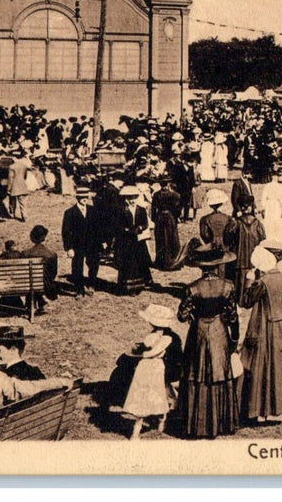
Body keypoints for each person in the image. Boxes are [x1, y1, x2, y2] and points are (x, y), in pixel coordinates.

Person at [175, 244, 240, 438]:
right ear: (218, 265)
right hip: (219, 331)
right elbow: (233, 317)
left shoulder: (193, 288)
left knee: (198, 372)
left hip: (199, 333)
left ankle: (196, 423)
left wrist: (194, 314)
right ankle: (222, 422)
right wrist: (234, 339)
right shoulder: (228, 286)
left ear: (201, 267)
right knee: (220, 372)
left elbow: (181, 315)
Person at [241, 245, 282, 423]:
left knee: (263, 366)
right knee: (280, 367)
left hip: (265, 325)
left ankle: (262, 410)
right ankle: (281, 409)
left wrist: (248, 281)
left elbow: (246, 302)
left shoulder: (262, 282)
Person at [118, 305, 181, 439]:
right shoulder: (155, 336)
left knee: (155, 394)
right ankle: (151, 424)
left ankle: (154, 423)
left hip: (154, 368)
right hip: (147, 368)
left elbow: (152, 352)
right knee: (144, 395)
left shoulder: (167, 339)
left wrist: (141, 353)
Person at [225, 193, 266, 306]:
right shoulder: (258, 224)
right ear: (250, 207)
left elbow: (228, 240)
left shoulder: (235, 223)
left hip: (239, 259)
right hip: (254, 259)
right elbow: (263, 240)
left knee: (239, 280)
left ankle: (240, 300)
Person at [113, 186, 153, 294]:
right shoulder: (121, 210)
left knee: (139, 262)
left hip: (138, 241)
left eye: (134, 198)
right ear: (126, 198)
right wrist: (127, 230)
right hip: (126, 241)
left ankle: (138, 286)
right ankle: (126, 287)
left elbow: (145, 224)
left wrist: (140, 228)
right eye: (130, 198)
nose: (132, 200)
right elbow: (117, 225)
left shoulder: (141, 209)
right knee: (127, 264)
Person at [62, 186, 101, 295]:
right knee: (77, 267)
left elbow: (98, 228)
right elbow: (66, 232)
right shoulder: (69, 213)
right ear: (77, 198)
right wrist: (69, 248)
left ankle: (91, 284)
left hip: (92, 244)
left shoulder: (93, 210)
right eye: (82, 197)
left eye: (86, 197)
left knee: (94, 264)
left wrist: (102, 241)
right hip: (77, 245)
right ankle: (79, 289)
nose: (84, 199)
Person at [23, 224, 59, 306]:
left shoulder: (25, 254)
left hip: (28, 284)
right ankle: (41, 299)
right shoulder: (52, 254)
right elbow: (53, 273)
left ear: (32, 238)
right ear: (44, 238)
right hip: (45, 285)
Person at [151, 177, 181, 271]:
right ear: (168, 184)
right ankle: (171, 261)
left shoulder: (156, 195)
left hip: (160, 217)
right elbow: (177, 209)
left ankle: (161, 262)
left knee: (161, 240)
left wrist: (154, 219)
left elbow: (153, 209)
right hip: (169, 217)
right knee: (171, 239)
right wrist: (175, 218)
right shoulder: (174, 195)